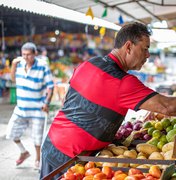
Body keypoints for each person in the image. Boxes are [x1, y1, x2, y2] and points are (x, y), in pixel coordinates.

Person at [40, 22, 176, 179]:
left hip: (53, 143)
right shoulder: (123, 82)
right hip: (71, 156)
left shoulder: (88, 64)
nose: (147, 55)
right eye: (145, 49)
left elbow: (68, 100)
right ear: (129, 46)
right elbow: (168, 107)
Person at [6, 42, 54, 169]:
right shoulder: (19, 64)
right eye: (24, 54)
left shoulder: (43, 66)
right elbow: (12, 79)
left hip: (37, 109)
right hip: (21, 108)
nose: (26, 57)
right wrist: (14, 64)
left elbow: (50, 86)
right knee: (11, 132)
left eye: (29, 55)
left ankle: (37, 160)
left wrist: (46, 103)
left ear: (35, 54)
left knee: (37, 138)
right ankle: (23, 152)